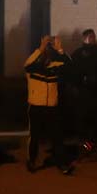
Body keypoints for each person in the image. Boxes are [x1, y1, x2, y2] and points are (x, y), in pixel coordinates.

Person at [25, 35, 73, 175]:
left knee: (57, 136)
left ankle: (61, 163)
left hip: (52, 106)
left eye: (48, 51)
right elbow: (27, 64)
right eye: (44, 53)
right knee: (34, 136)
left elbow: (71, 67)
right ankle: (32, 161)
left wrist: (60, 50)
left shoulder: (55, 66)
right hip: (36, 106)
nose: (47, 54)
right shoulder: (32, 68)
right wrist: (40, 48)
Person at [70, 29, 97, 149]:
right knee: (83, 116)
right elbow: (73, 71)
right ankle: (84, 142)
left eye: (93, 36)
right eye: (90, 37)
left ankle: (96, 140)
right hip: (83, 90)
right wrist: (75, 86)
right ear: (84, 38)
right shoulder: (78, 54)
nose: (93, 39)